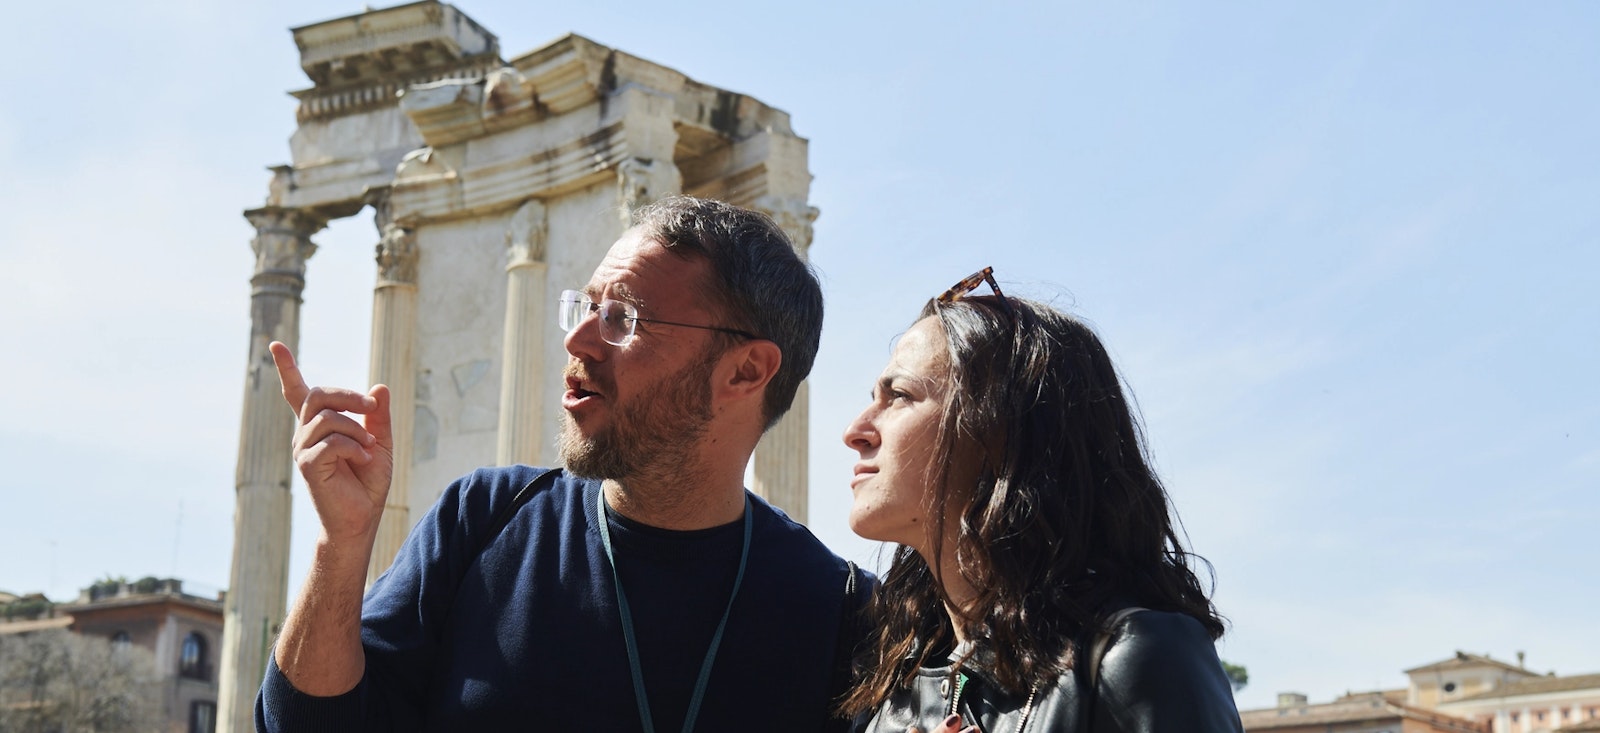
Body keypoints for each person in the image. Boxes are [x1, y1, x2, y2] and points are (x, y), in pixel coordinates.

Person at [255, 196, 870, 732]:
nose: (577, 341)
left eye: (623, 319)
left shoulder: (841, 611)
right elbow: (307, 724)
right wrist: (341, 547)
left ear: (745, 371)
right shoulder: (484, 519)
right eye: (586, 307)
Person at [839, 268, 1242, 732]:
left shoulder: (1138, 657)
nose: (856, 431)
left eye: (900, 396)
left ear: (1002, 432)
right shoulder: (888, 683)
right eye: (873, 397)